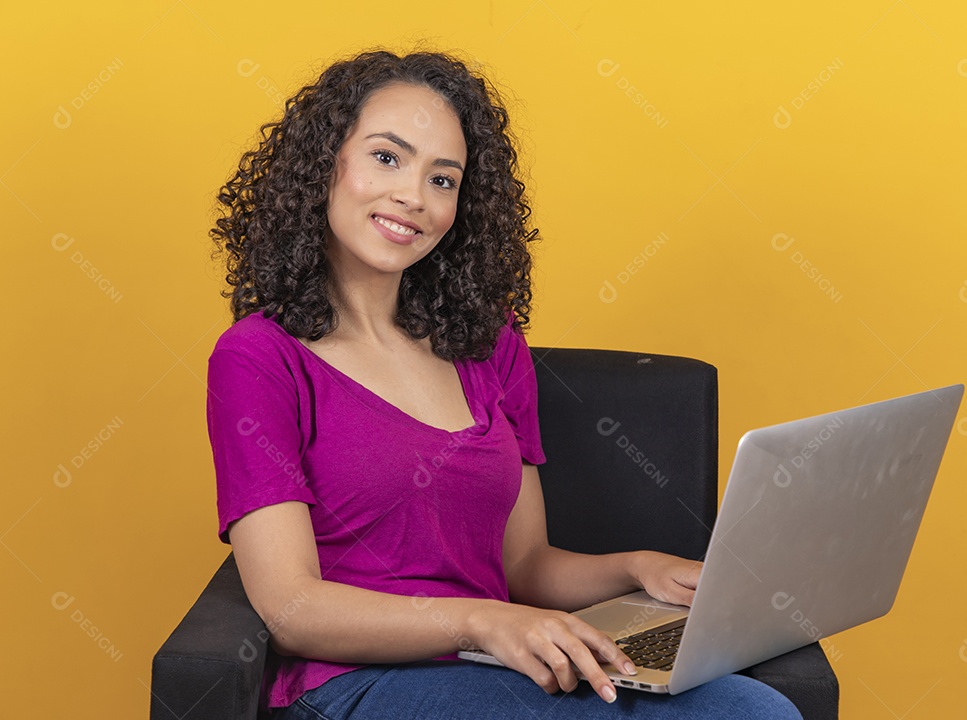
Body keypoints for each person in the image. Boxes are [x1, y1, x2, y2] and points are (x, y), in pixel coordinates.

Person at [205, 48, 801, 719]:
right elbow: (292, 608)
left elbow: (526, 568)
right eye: (386, 157)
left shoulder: (487, 342)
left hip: (498, 667)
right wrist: (481, 621)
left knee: (747, 706)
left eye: (443, 179)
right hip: (358, 683)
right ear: (323, 165)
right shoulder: (258, 358)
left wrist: (636, 568)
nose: (413, 196)